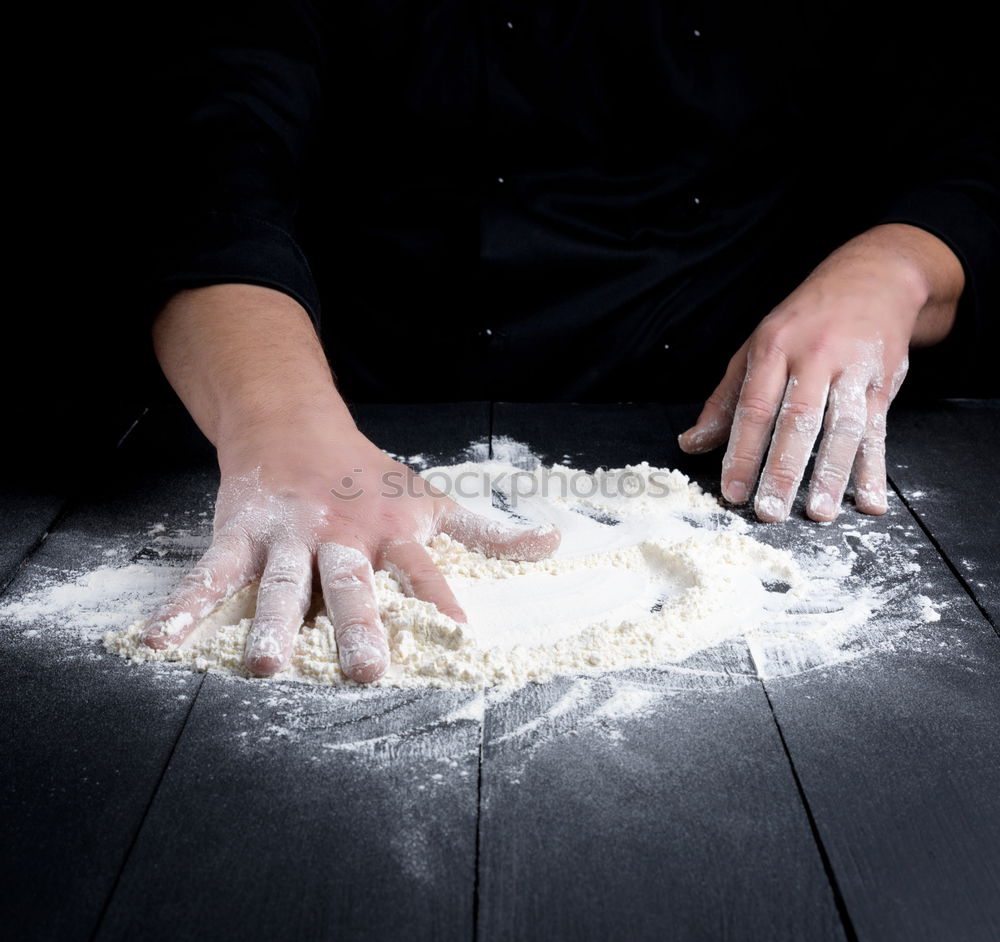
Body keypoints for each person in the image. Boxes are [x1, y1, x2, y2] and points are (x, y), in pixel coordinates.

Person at [136, 1, 998, 682]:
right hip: (361, 415)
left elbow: (973, 151)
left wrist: (893, 269)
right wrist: (278, 419)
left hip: (710, 433)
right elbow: (209, 165)